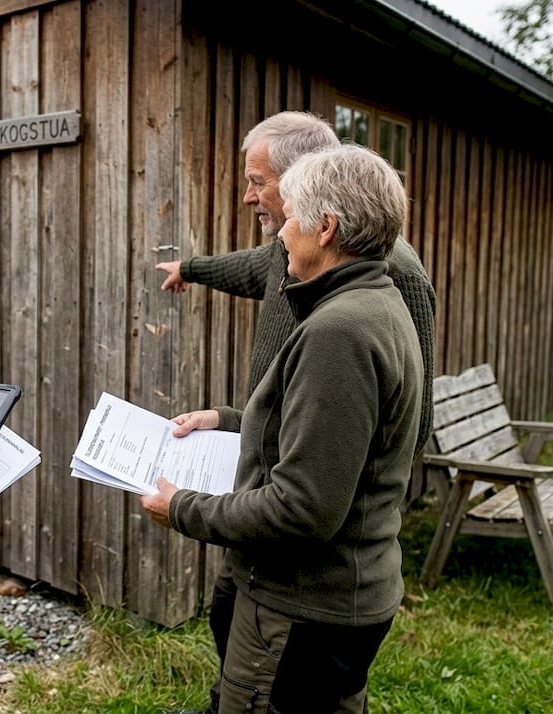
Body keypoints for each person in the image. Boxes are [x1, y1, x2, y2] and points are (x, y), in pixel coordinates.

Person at [154, 111, 436, 714]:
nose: (277, 236)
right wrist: (234, 422)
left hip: (307, 591)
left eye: (289, 217)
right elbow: (325, 415)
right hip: (306, 584)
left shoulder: (347, 324)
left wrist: (181, 507)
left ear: (327, 225)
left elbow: (312, 500)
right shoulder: (355, 297)